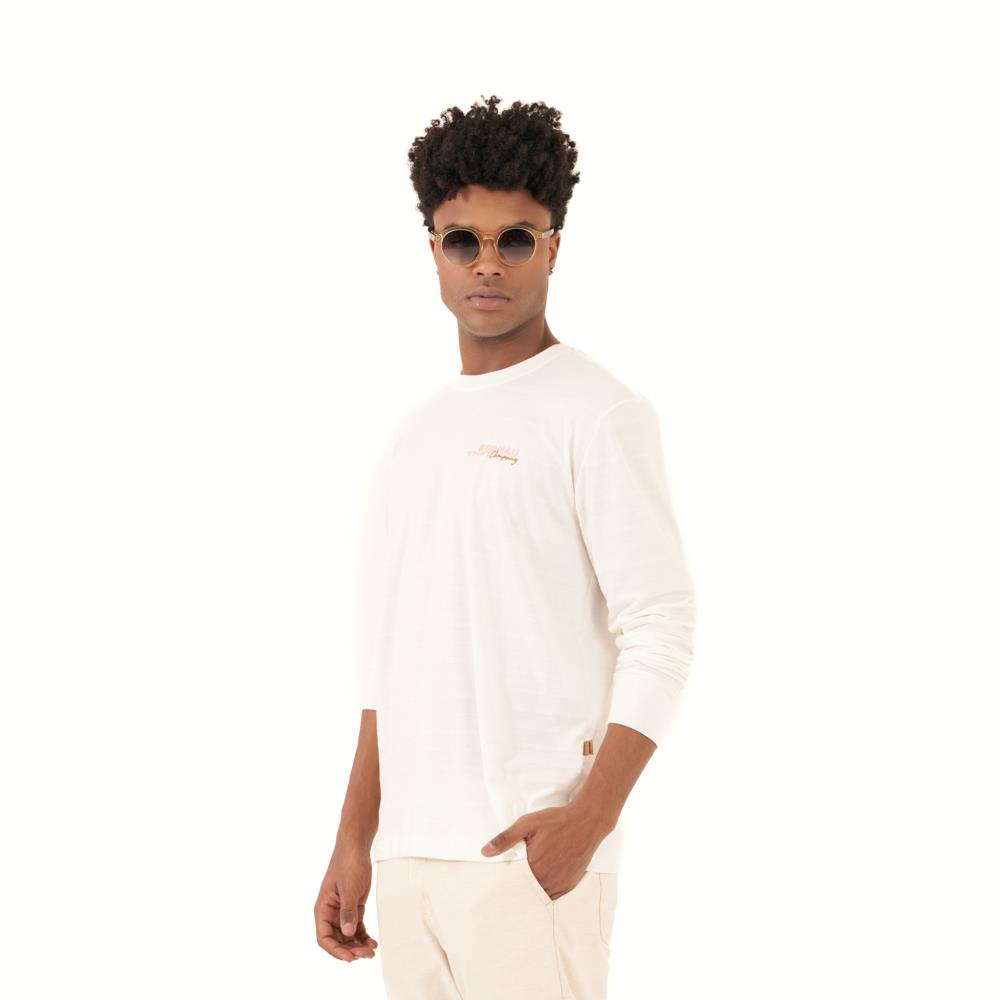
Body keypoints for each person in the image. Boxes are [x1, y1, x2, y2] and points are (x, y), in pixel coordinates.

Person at [314, 94, 698, 1000]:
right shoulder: (414, 436)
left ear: (552, 249)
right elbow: (389, 662)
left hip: (527, 859)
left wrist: (586, 823)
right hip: (411, 864)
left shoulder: (597, 413)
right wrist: (355, 839)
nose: (487, 263)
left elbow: (662, 628)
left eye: (515, 239)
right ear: (435, 252)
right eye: (463, 240)